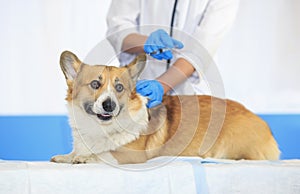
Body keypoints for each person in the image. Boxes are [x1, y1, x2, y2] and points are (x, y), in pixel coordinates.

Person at [106, 0, 239, 108]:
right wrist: (146, 43)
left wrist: (160, 86)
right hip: (139, 92)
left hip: (192, 96)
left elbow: (199, 51)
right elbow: (118, 28)